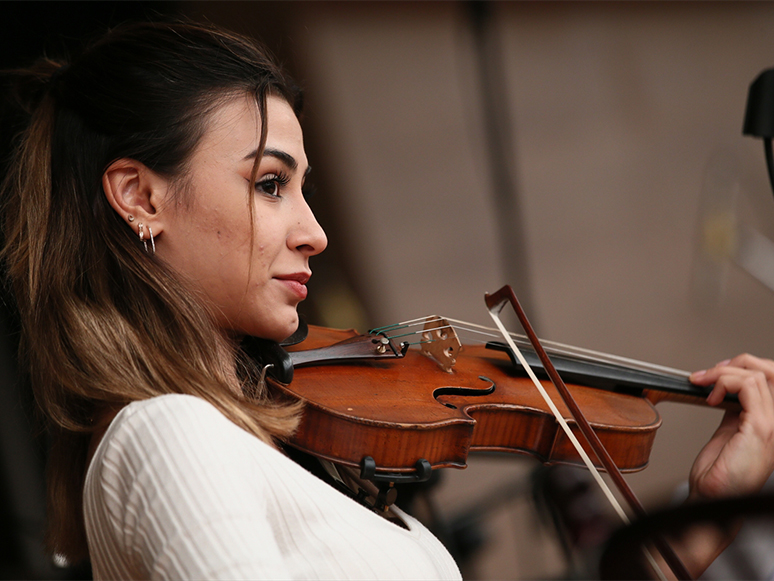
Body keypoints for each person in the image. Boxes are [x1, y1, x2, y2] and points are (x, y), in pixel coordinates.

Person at [1, 18, 772, 580]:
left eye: (301, 186)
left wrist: (700, 524)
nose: (315, 231)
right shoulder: (167, 433)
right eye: (270, 184)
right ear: (140, 196)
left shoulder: (257, 444)